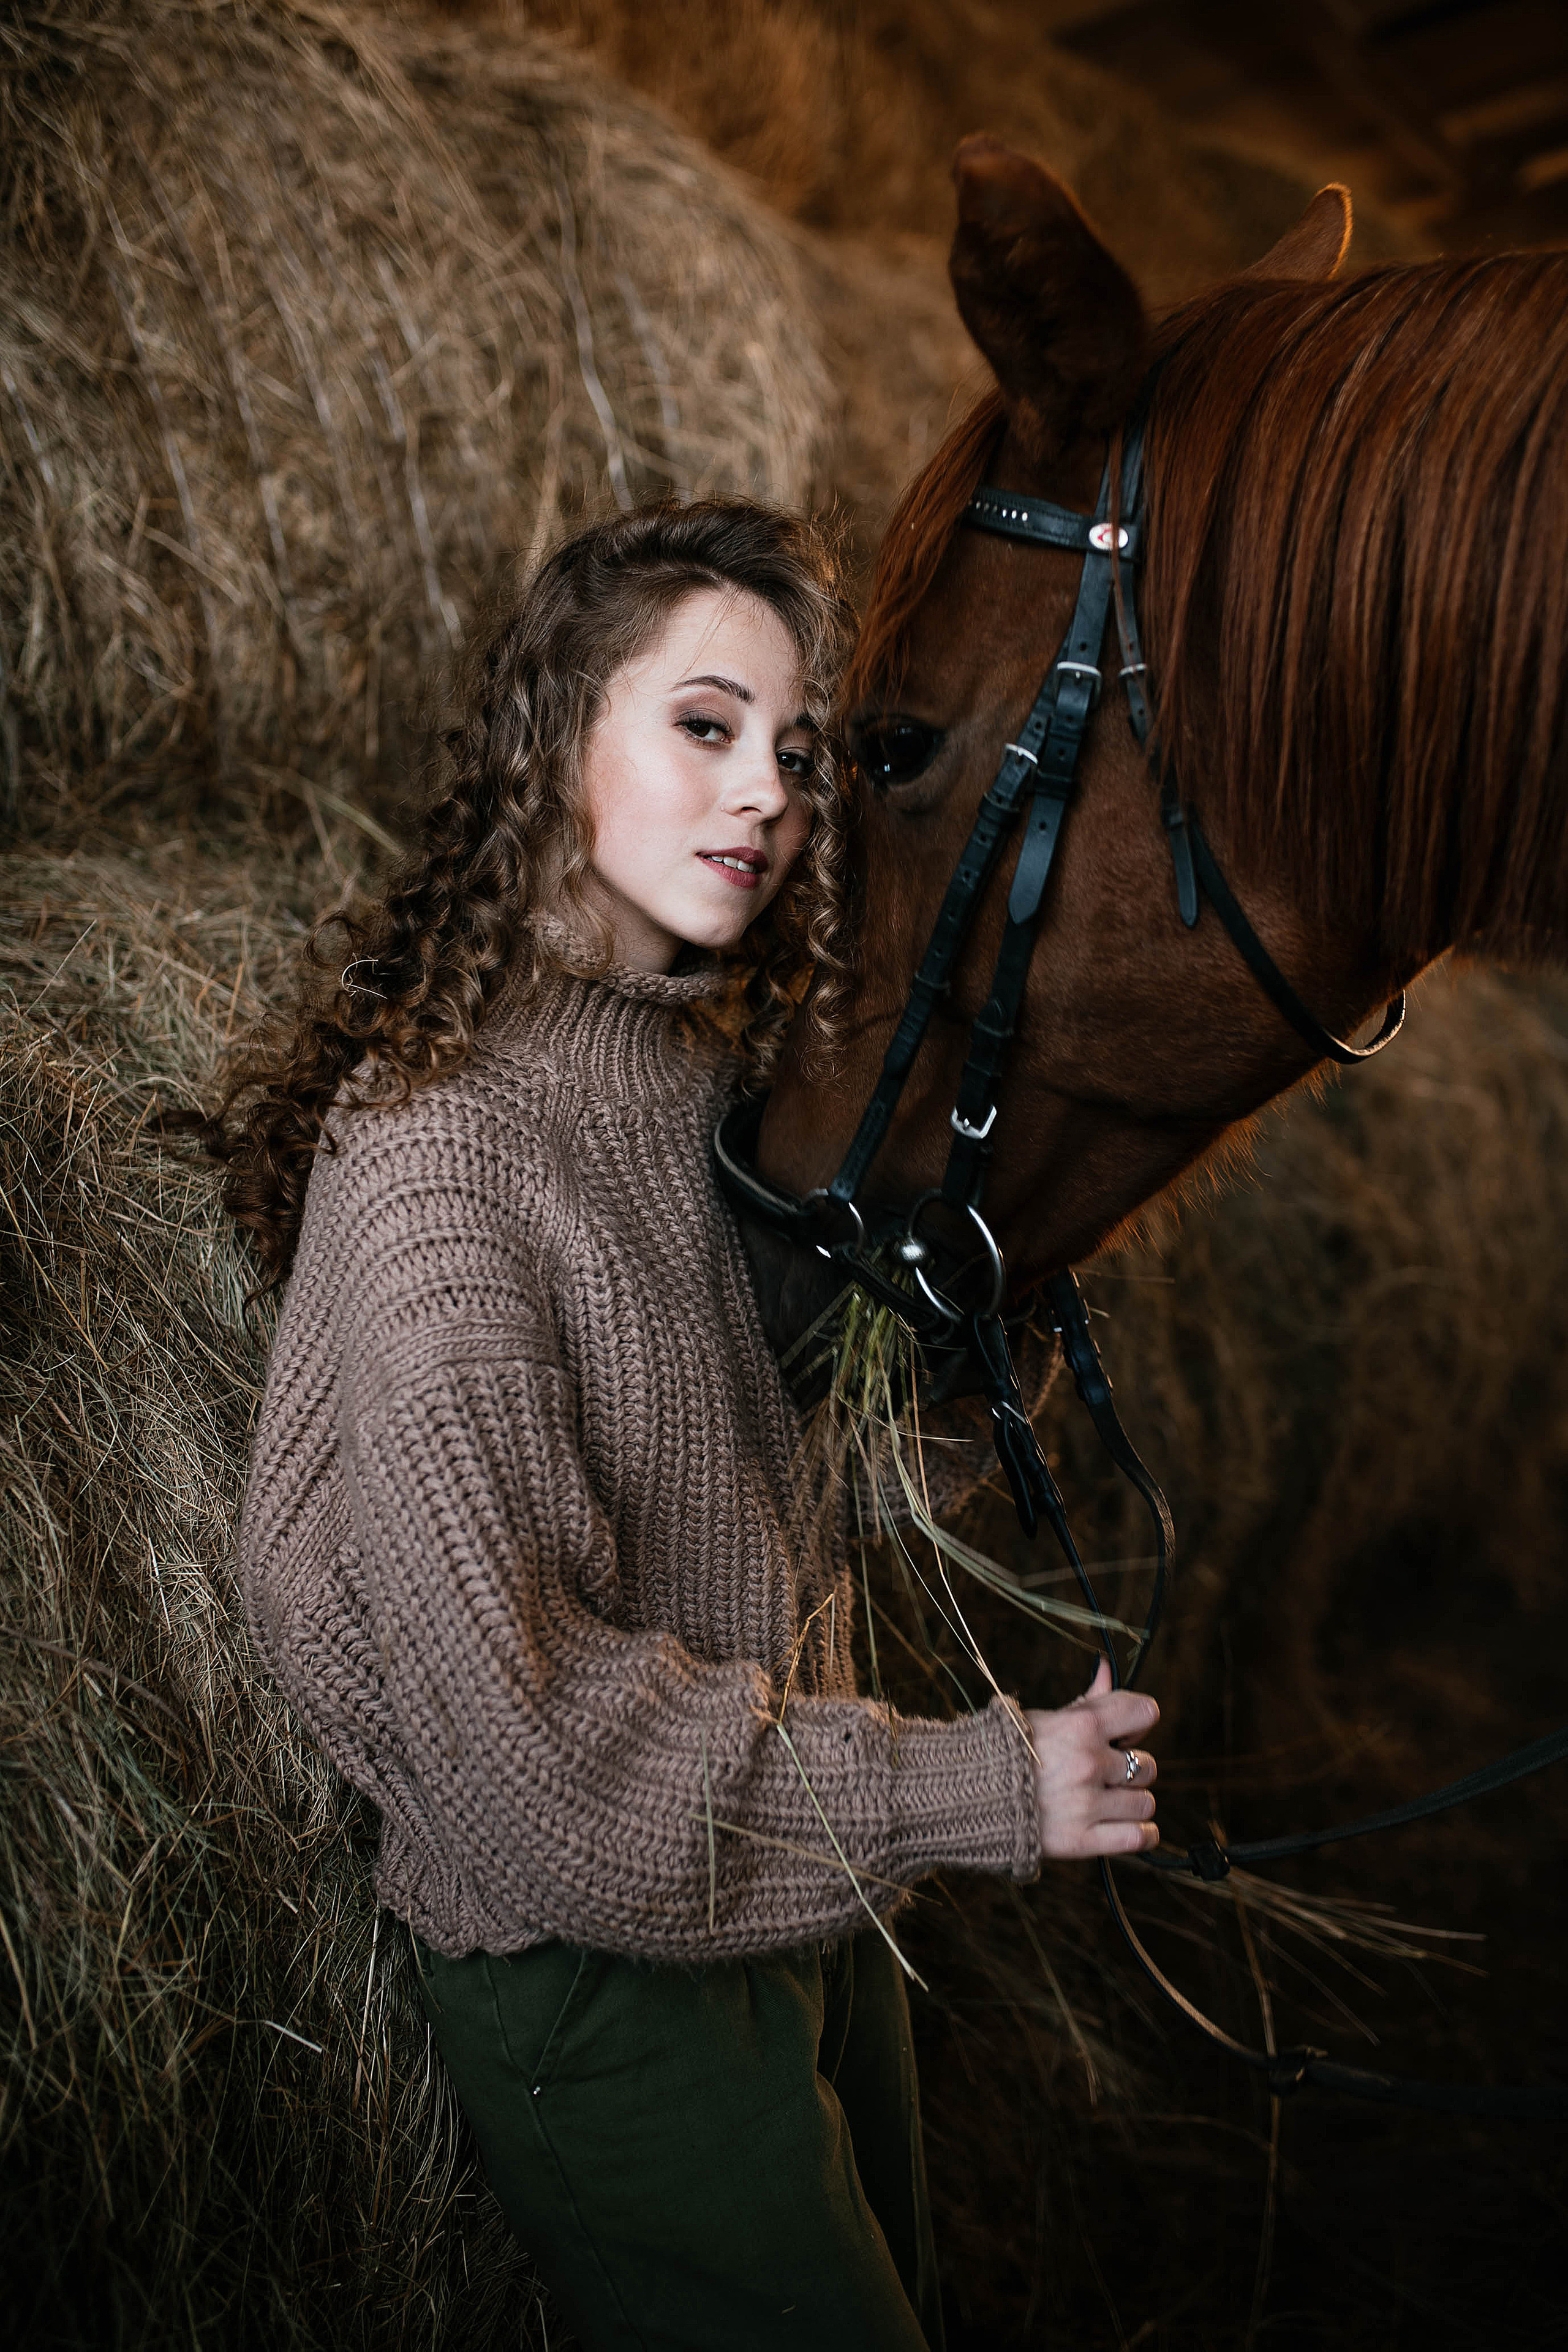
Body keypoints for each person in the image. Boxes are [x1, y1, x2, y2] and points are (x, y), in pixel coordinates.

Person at [219, 499, 1160, 2351]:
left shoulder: (724, 1110)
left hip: (791, 1883)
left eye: (800, 756)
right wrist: (974, 1785)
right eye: (706, 727)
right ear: (559, 741)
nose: (766, 796)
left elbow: (778, 1502)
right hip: (597, 1965)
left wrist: (962, 1365)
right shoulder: (441, 1168)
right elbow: (537, 1760)